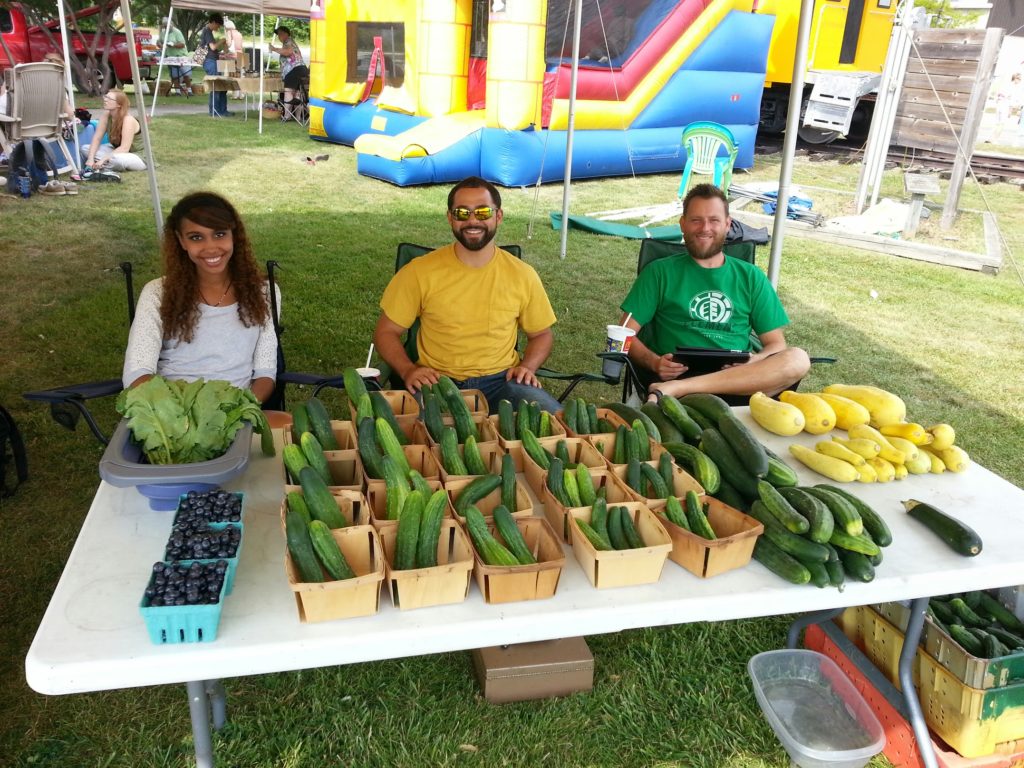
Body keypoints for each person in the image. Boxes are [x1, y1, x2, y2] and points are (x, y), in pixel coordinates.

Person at [373, 176, 562, 412]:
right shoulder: (419, 271)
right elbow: (386, 332)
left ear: (498, 216)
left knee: (558, 425)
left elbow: (542, 334)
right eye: (462, 213)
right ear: (450, 217)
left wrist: (528, 367)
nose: (473, 220)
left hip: (504, 382)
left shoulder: (523, 275)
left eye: (483, 212)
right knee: (416, 439)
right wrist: (408, 370)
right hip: (436, 383)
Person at [619, 183, 810, 402]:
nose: (705, 228)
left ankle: (682, 389)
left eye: (714, 220)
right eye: (696, 220)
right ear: (683, 224)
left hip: (737, 381)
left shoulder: (750, 277)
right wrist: (655, 363)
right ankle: (682, 389)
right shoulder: (659, 272)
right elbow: (623, 334)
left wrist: (755, 360)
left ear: (728, 224)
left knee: (799, 359)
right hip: (677, 373)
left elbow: (776, 344)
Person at [122, 192, 279, 403]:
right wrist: (178, 415)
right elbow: (137, 371)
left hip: (237, 413)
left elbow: (265, 372)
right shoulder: (158, 292)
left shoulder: (264, 293)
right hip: (170, 412)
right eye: (196, 237)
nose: (210, 247)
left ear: (234, 235)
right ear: (181, 240)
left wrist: (242, 411)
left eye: (220, 234)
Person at [81, 89, 145, 176]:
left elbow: (124, 148)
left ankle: (100, 167)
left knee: (117, 160)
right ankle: (97, 165)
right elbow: (97, 138)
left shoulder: (128, 120)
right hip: (116, 151)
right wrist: (90, 158)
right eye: (106, 96)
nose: (105, 99)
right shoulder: (106, 115)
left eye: (109, 98)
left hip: (138, 155)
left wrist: (103, 159)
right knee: (85, 148)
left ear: (119, 104)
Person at [269, 26, 308, 121]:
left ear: (287, 34)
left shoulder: (289, 42)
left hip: (294, 70)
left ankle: (287, 116)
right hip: (301, 69)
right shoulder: (290, 42)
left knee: (288, 92)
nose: (279, 36)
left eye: (281, 34)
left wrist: (274, 49)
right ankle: (298, 117)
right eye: (278, 34)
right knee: (298, 93)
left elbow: (288, 52)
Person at [199, 12, 232, 117]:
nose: (218, 27)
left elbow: (212, 49)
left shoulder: (209, 32)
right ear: (213, 22)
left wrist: (222, 52)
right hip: (210, 62)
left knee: (222, 86)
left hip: (214, 60)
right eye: (218, 25)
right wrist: (222, 41)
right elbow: (212, 47)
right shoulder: (207, 31)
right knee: (216, 86)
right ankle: (214, 111)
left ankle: (222, 110)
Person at [158, 17, 193, 96]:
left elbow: (182, 44)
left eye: (168, 26)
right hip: (171, 57)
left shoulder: (177, 32)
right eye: (165, 26)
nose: (166, 27)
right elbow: (159, 41)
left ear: (172, 25)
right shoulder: (163, 33)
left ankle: (189, 90)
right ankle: (177, 92)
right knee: (174, 75)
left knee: (186, 74)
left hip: (181, 56)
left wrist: (173, 45)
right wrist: (161, 45)